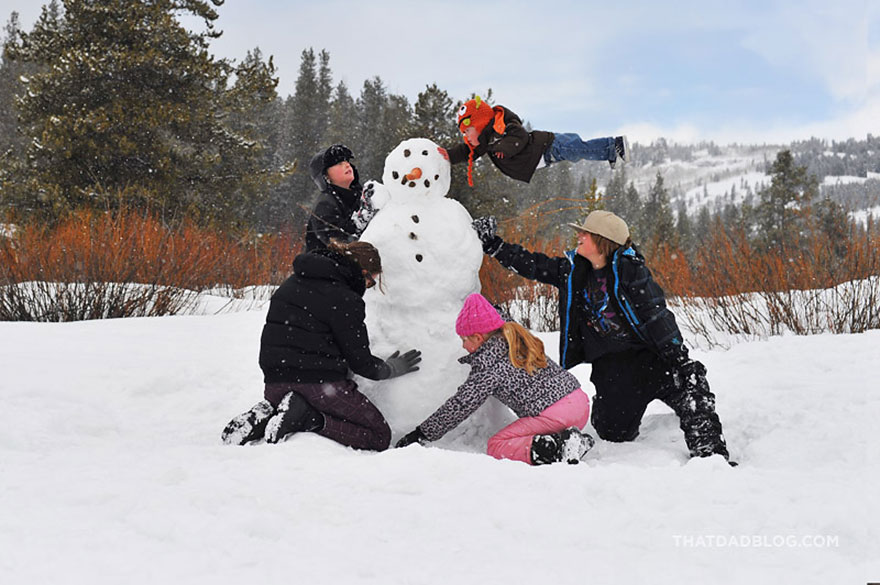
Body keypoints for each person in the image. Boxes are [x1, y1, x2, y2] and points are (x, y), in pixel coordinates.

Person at [470, 211, 733, 463]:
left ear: (602, 241)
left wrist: (679, 358)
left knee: (690, 382)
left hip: (651, 359)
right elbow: (534, 265)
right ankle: (608, 408)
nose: (579, 237)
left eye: (585, 233)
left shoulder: (630, 271)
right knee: (613, 434)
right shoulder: (573, 272)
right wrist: (493, 244)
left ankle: (710, 453)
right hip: (613, 370)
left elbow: (656, 313)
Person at [221, 239, 422, 450]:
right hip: (318, 387)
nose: (368, 288)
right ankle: (308, 418)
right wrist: (390, 368)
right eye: (371, 282)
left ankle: (268, 413)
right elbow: (360, 363)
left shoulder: (291, 284)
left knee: (288, 400)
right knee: (379, 436)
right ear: (363, 272)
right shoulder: (345, 299)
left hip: (274, 383)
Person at [396, 293, 595, 465]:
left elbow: (461, 405)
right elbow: (496, 315)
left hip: (555, 415)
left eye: (465, 339)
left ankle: (560, 448)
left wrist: (421, 434)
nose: (463, 345)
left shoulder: (489, 365)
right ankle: (567, 439)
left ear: (478, 338)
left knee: (497, 445)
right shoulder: (510, 333)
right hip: (579, 402)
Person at [440, 95, 629, 187]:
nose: (467, 137)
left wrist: (503, 148)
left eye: (468, 131)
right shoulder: (484, 142)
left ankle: (615, 145)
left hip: (547, 145)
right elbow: (467, 151)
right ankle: (610, 151)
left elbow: (519, 137)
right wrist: (448, 155)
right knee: (578, 153)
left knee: (577, 148)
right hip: (544, 155)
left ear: (480, 123)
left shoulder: (503, 124)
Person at [305, 144, 378, 252]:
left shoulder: (362, 194)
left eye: (347, 161)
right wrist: (361, 221)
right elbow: (340, 242)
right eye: (339, 163)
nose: (347, 165)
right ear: (325, 176)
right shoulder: (324, 205)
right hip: (333, 265)